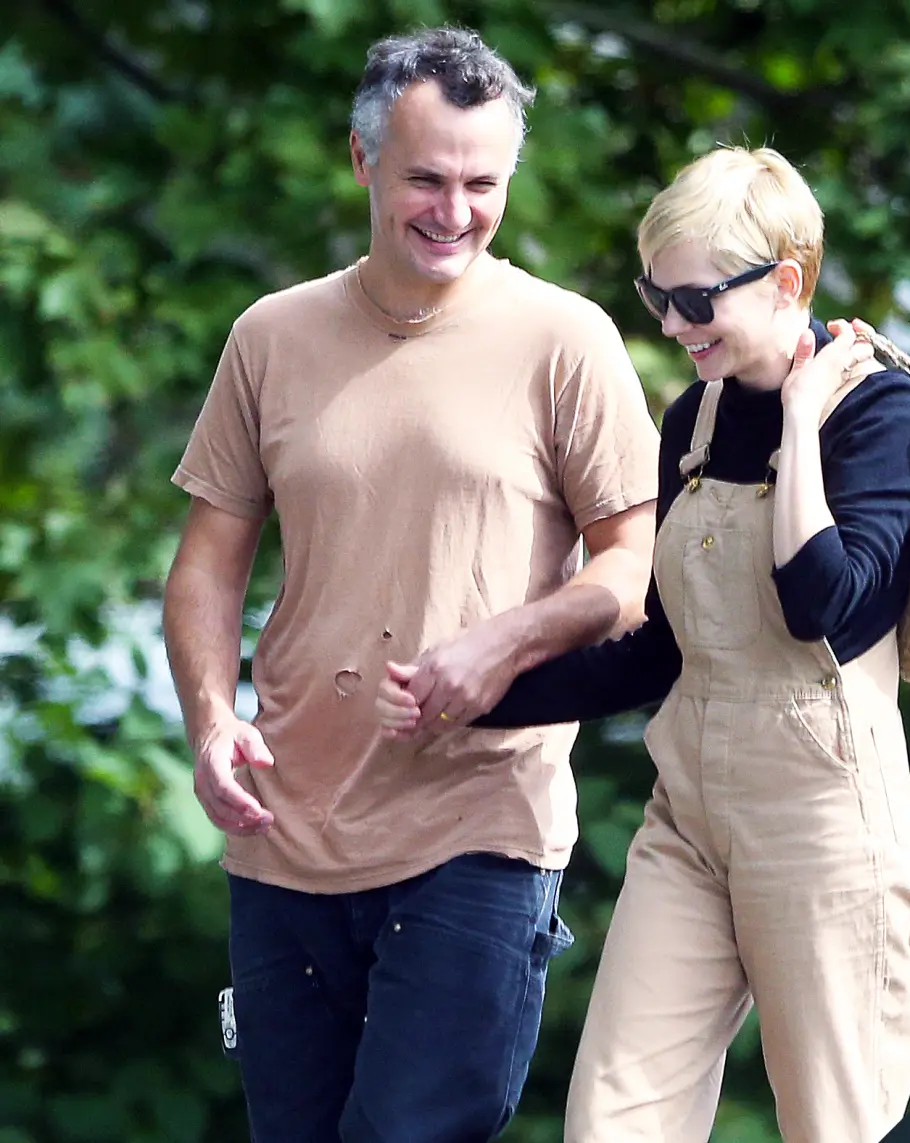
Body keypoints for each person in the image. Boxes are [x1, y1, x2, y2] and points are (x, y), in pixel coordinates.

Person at [379, 145, 910, 1143]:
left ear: (785, 283)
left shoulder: (881, 412)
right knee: (612, 1119)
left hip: (822, 822)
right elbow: (662, 650)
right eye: (657, 297)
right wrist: (476, 694)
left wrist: (800, 420)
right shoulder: (694, 418)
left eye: (694, 301)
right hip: (688, 814)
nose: (674, 327)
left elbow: (824, 607)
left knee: (837, 1124)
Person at [162, 26, 660, 1143]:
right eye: (427, 179)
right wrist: (210, 722)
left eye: (484, 185)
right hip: (285, 825)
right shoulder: (271, 336)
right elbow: (206, 565)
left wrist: (505, 645)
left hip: (479, 821)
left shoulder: (565, 338)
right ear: (362, 159)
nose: (455, 211)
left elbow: (634, 569)